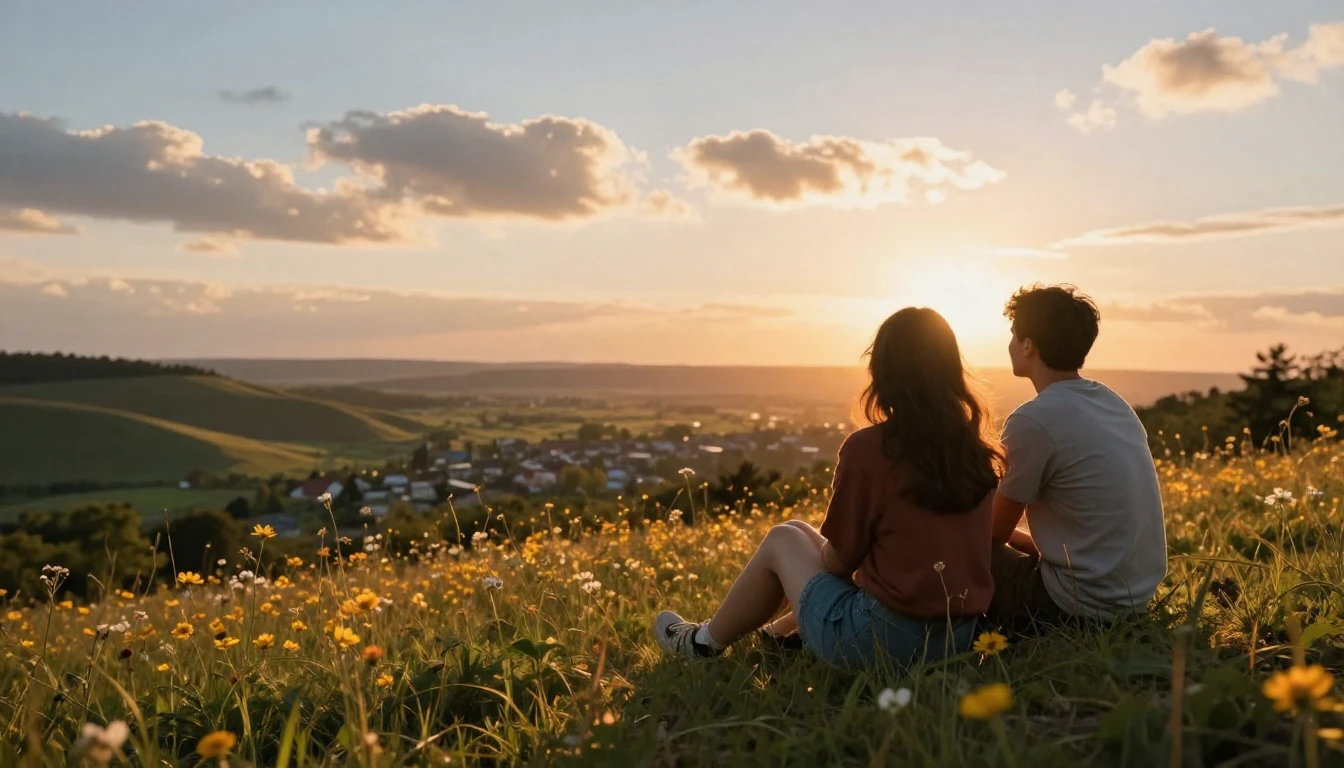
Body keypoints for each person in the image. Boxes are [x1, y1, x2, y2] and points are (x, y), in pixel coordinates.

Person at [653, 307, 1002, 667]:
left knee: (783, 539)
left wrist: (813, 563)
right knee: (797, 530)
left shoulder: (872, 449)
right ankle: (776, 636)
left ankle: (701, 644)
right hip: (959, 640)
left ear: (883, 372)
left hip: (881, 643)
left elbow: (837, 563)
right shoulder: (973, 451)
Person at [989, 284, 1167, 629]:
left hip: (1073, 605)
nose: (1010, 344)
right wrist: (1032, 545)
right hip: (1133, 600)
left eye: (1013, 334)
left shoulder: (1032, 420)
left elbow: (993, 533)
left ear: (1028, 345)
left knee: (950, 546)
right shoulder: (1113, 403)